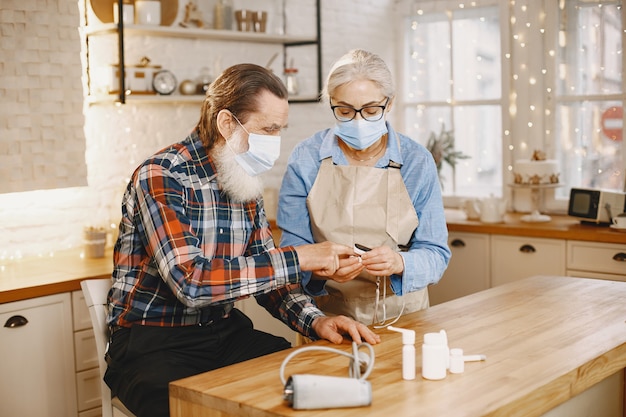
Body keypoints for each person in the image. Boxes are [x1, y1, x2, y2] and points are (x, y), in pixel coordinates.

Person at [104, 63, 380, 417]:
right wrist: (302, 258)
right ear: (227, 124)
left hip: (224, 332)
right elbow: (192, 282)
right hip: (151, 345)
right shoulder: (161, 176)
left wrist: (315, 320)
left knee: (306, 384)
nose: (275, 141)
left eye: (280, 129)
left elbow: (268, 277)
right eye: (268, 129)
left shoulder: (243, 180)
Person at [277, 49, 451, 326]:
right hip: (326, 318)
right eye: (344, 111)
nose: (358, 121)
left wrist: (399, 263)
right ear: (331, 103)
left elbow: (436, 252)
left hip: (405, 317)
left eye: (371, 110)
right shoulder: (306, 158)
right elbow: (291, 252)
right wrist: (324, 270)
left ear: (389, 103)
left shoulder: (416, 161)